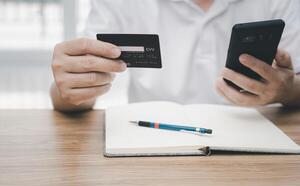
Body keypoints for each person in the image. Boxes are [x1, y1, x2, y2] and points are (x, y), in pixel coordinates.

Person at [50, 0, 300, 112]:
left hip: (257, 145)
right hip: (152, 144)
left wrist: (289, 90)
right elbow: (71, 90)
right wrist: (68, 89)